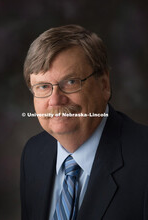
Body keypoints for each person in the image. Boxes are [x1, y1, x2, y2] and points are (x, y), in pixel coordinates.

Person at [20, 24, 148, 220]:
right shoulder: (33, 154)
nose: (55, 100)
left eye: (71, 82)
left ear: (104, 85)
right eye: (43, 87)